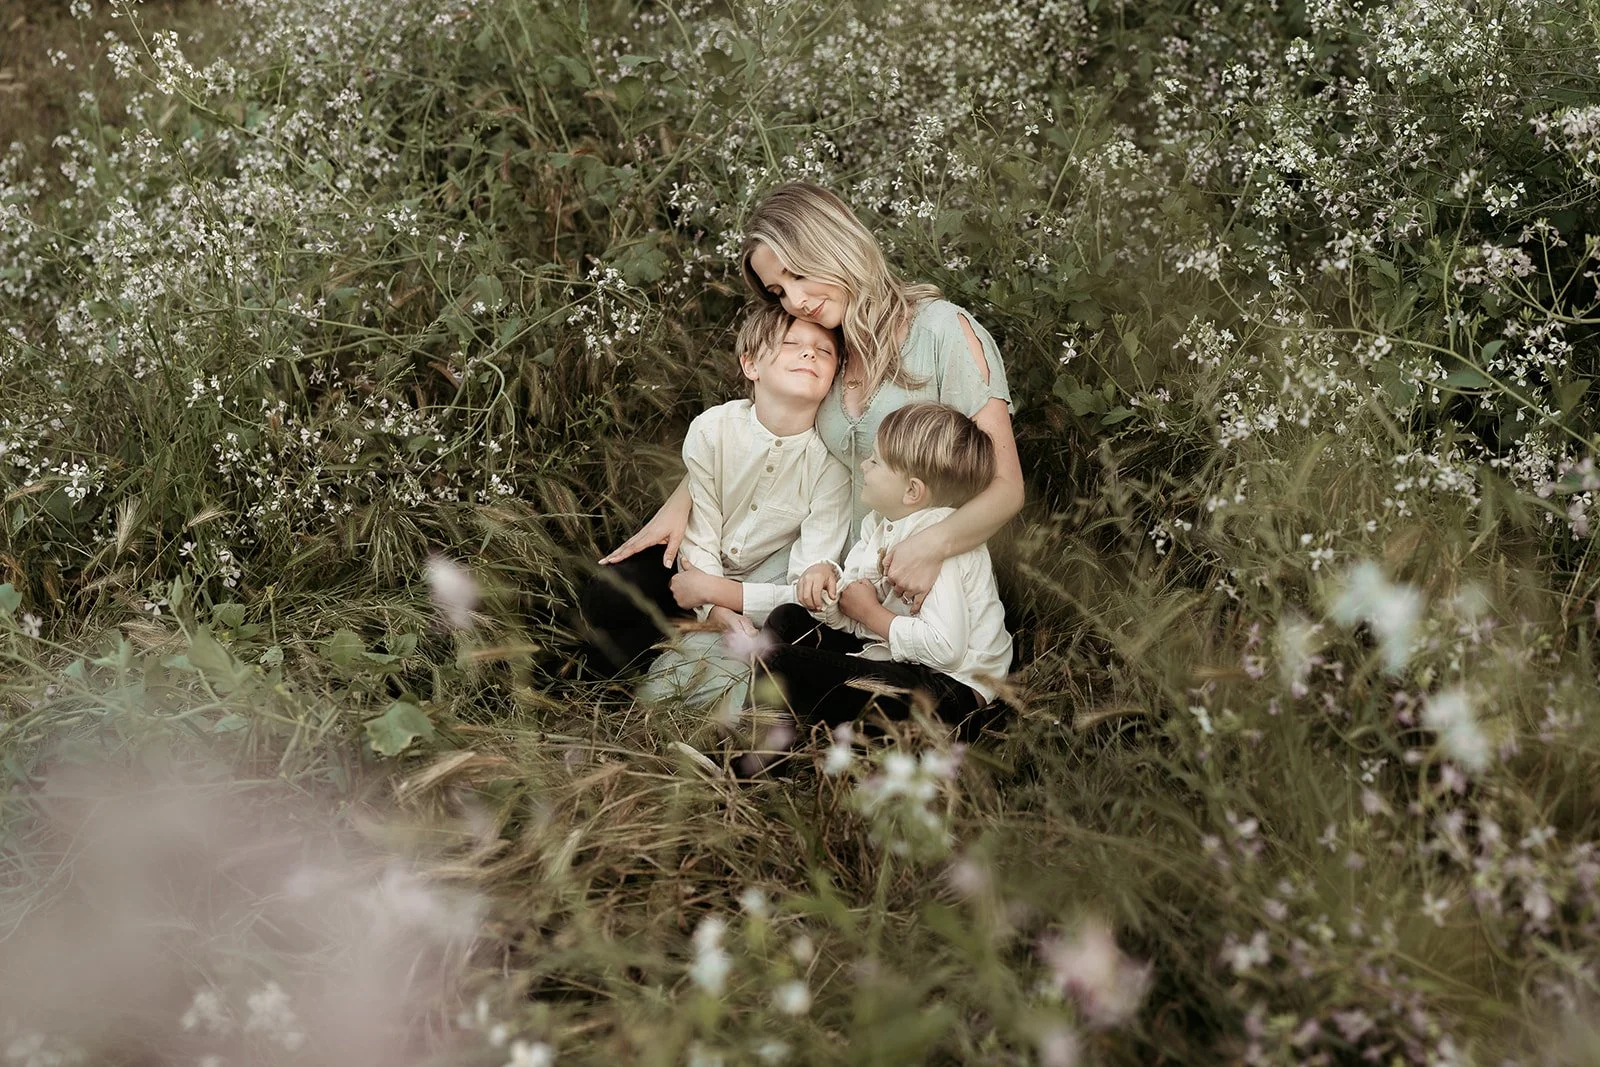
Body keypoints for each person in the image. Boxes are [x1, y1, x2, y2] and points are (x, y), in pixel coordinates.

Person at [598, 181, 1024, 617]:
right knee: (620, 587)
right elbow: (757, 428)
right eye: (779, 291)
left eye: (799, 274)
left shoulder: (942, 331)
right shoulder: (823, 352)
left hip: (906, 584)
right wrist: (682, 502)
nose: (797, 301)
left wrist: (930, 546)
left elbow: (1006, 488)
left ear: (836, 246)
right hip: (810, 571)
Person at [578, 302, 852, 675]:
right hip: (695, 562)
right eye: (791, 344)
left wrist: (722, 597)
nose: (809, 353)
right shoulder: (714, 429)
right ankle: (593, 677)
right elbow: (699, 531)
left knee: (792, 630)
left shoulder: (832, 464)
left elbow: (807, 582)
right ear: (751, 365)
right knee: (607, 595)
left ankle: (649, 679)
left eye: (824, 351)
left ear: (835, 376)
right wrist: (713, 607)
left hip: (762, 583)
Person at [751, 402, 1013, 742]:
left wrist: (870, 612)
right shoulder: (879, 524)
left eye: (875, 461)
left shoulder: (940, 541)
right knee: (786, 619)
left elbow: (946, 649)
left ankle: (752, 763)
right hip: (901, 663)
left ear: (912, 491)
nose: (864, 465)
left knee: (781, 661)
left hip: (949, 695)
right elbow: (855, 614)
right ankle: (785, 736)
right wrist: (830, 592)